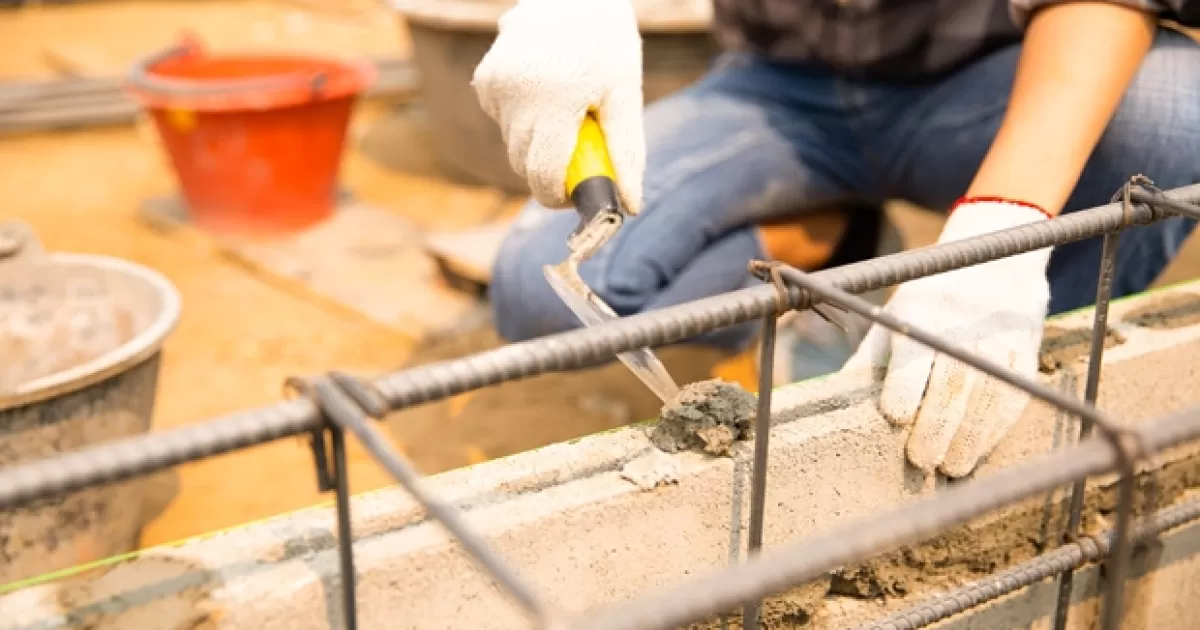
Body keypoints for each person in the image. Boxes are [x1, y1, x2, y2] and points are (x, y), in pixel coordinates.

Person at [471, 0, 1200, 478]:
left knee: (1178, 112)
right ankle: (836, 241)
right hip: (780, 88)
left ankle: (1001, 400)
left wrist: (1003, 221)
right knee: (539, 286)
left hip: (987, 75)